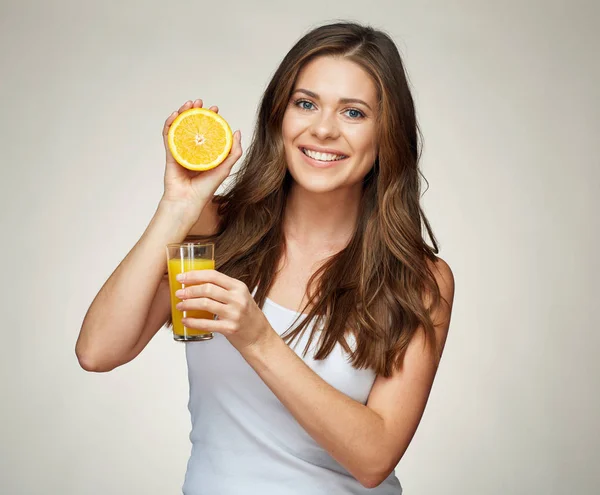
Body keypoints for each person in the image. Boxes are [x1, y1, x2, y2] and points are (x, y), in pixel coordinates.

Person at [76, 21, 455, 495]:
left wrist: (258, 339)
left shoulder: (419, 279)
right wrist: (177, 208)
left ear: (387, 134)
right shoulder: (218, 230)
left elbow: (374, 457)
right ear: (279, 114)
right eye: (306, 103)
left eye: (354, 113)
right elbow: (98, 351)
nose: (323, 128)